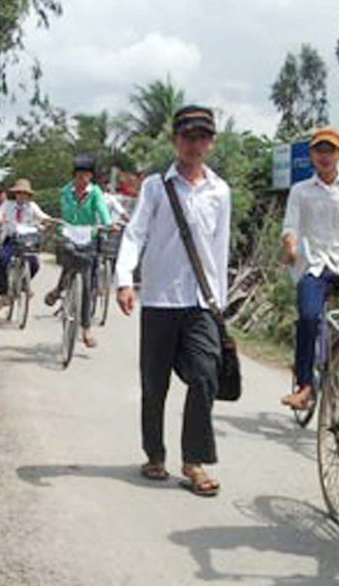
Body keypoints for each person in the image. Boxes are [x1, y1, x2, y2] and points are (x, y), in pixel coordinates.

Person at [115, 105, 231, 497]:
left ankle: (194, 460)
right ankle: (155, 453)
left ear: (210, 143)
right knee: (155, 382)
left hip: (201, 301)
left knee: (205, 374)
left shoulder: (220, 191)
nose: (194, 144)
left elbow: (220, 250)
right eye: (187, 136)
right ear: (175, 140)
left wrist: (220, 304)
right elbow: (134, 234)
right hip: (160, 299)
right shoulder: (155, 187)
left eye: (202, 137)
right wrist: (124, 280)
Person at [279, 127, 339, 411]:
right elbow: (290, 226)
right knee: (309, 317)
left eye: (331, 151)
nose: (325, 156)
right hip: (314, 266)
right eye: (319, 150)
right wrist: (290, 245)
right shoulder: (300, 192)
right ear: (312, 155)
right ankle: (305, 386)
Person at [45, 153, 111, 348]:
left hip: (89, 235)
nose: (82, 179)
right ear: (74, 175)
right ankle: (59, 288)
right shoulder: (66, 191)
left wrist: (107, 225)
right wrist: (62, 226)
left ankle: (86, 328)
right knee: (68, 261)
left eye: (86, 175)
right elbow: (66, 212)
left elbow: (102, 211)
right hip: (69, 234)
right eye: (79, 175)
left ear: (91, 176)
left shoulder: (96, 193)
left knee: (86, 281)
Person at [0, 178, 51, 308]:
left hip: (28, 240)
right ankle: (3, 293)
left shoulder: (32, 206)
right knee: (2, 260)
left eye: (25, 193)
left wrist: (47, 220)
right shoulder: (7, 204)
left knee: (34, 264)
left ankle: (24, 283)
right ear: (15, 194)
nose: (22, 195)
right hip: (11, 239)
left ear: (28, 195)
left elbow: (42, 215)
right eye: (19, 193)